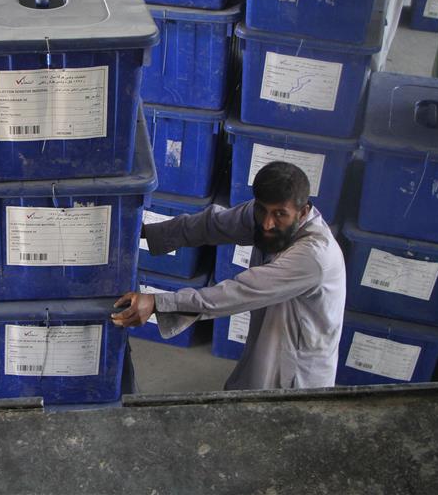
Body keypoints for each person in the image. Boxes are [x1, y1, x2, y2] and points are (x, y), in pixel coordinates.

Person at [112, 162, 346, 390]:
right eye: (262, 210)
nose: (267, 223)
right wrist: (143, 232)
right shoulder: (263, 215)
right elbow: (211, 224)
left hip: (298, 368)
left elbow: (239, 292)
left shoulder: (315, 256)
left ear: (303, 212)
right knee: (249, 390)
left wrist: (157, 302)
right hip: (271, 336)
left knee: (272, 407)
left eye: (280, 214)